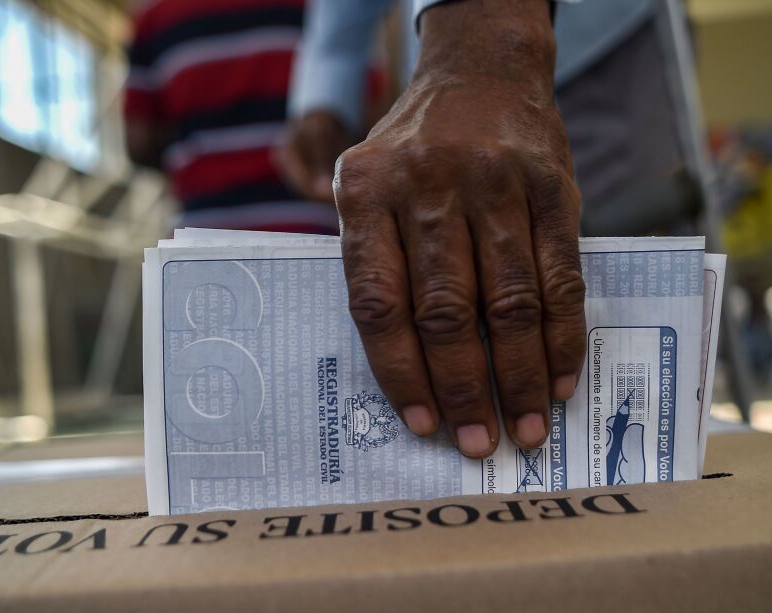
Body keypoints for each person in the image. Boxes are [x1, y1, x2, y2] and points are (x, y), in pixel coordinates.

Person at [281, 0, 667, 461]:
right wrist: (329, 78)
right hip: (444, 53)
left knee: (594, 326)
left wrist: (489, 40)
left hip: (585, 53)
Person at [123, 0, 341, 233]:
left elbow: (139, 143)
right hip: (311, 225)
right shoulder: (327, 7)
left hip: (203, 230)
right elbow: (366, 116)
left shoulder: (155, 15)